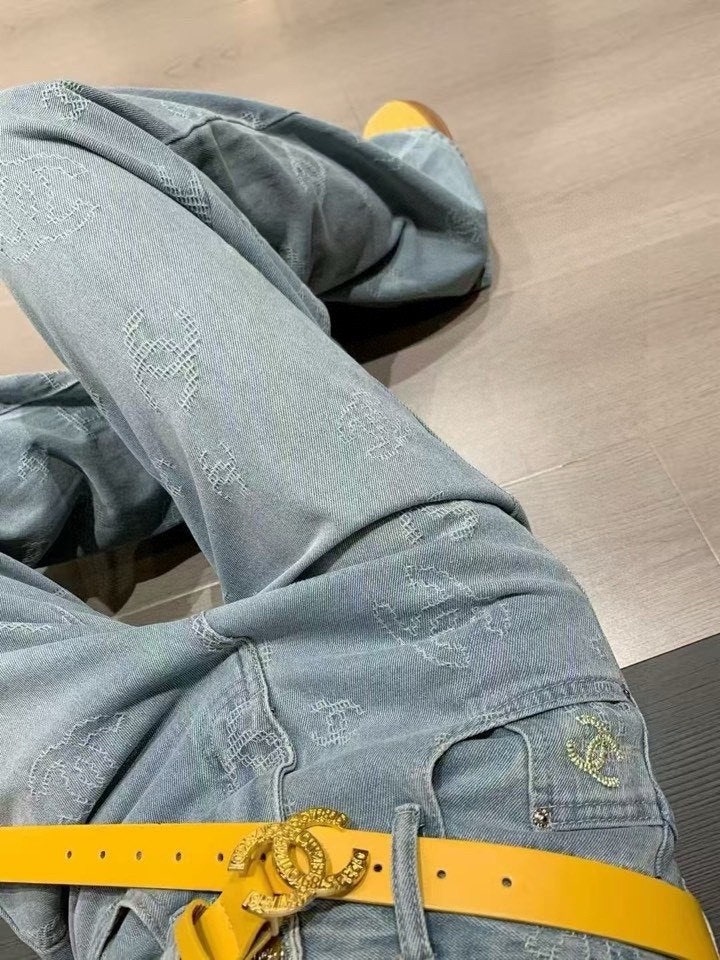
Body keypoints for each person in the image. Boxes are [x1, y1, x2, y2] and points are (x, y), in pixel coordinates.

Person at [0, 83, 683, 959]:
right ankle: (406, 237)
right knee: (34, 138)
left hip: (129, 854)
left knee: (24, 144)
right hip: (466, 743)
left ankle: (213, 393)